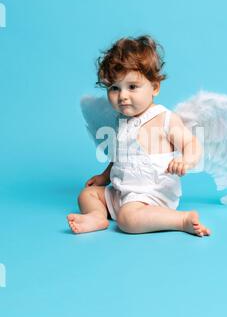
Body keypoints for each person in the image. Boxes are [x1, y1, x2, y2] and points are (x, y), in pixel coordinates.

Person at [67, 35, 211, 237]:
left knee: (128, 219)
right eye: (114, 88)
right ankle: (97, 216)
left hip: (152, 194)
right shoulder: (122, 120)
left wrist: (185, 160)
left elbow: (191, 143)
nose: (123, 96)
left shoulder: (165, 119)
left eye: (132, 87)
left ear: (154, 87)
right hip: (122, 190)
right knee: (87, 195)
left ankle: (182, 220)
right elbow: (119, 157)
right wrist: (104, 176)